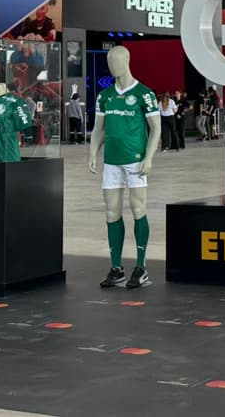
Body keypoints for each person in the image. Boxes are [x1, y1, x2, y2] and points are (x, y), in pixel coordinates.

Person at [88, 46, 161, 289]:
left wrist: (149, 157)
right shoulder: (105, 95)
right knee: (111, 212)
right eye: (109, 61)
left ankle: (140, 267)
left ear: (127, 60)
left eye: (117, 60)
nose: (113, 65)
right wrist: (92, 153)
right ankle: (116, 268)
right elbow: (99, 128)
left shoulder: (144, 93)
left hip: (135, 160)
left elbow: (156, 128)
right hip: (112, 161)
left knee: (138, 209)